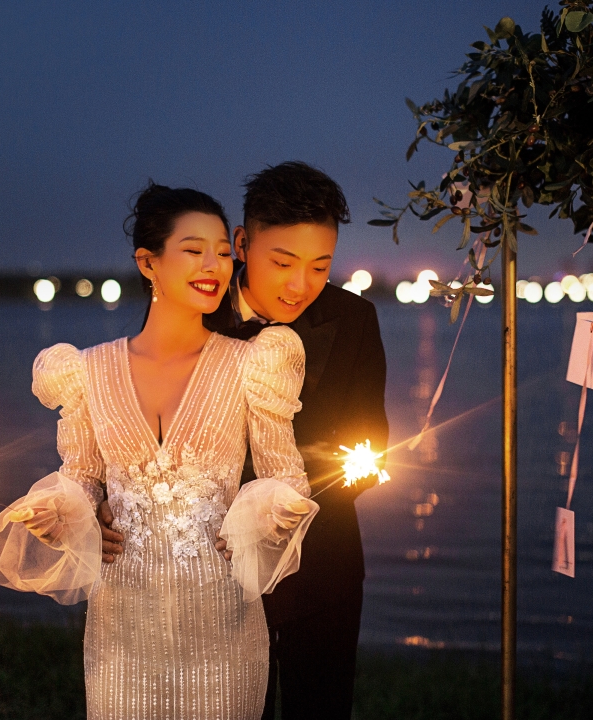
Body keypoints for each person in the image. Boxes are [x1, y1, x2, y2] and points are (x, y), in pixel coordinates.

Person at [0, 183, 316, 720]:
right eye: (193, 250)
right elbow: (81, 475)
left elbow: (286, 477)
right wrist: (67, 511)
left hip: (223, 623)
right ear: (148, 262)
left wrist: (266, 514)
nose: (214, 265)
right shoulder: (86, 371)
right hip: (121, 631)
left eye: (222, 252)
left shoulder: (254, 363)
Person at [100, 162, 389, 720]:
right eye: (282, 262)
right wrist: (109, 498)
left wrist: (283, 507)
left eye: (320, 266)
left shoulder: (355, 319)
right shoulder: (191, 306)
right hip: (212, 572)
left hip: (321, 565)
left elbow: (370, 448)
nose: (300, 285)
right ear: (241, 244)